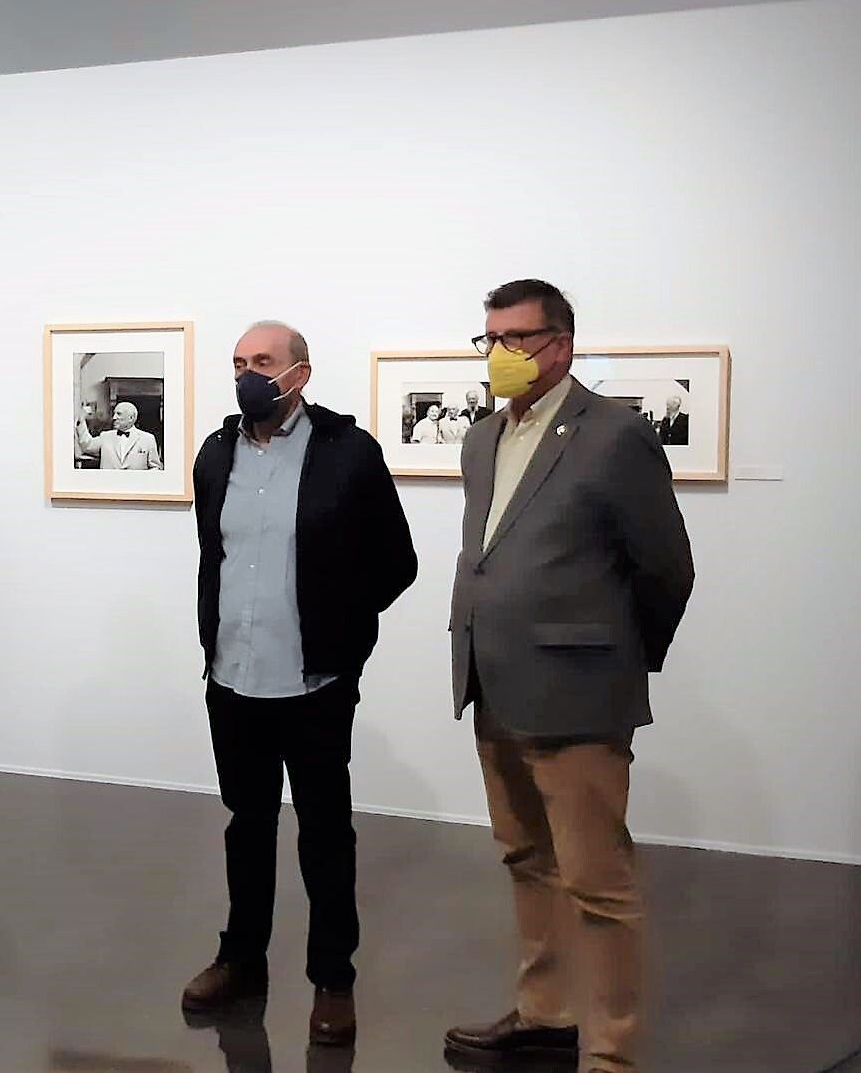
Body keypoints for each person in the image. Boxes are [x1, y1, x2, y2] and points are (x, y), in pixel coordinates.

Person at [447, 280, 694, 1073]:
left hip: (581, 692)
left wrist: (615, 659)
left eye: (517, 339)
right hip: (495, 680)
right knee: (526, 859)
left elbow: (666, 568)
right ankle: (544, 1014)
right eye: (490, 340)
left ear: (562, 343)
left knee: (598, 882)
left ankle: (612, 1053)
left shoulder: (613, 435)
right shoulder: (483, 436)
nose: (501, 356)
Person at [181, 321, 417, 1048]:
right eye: (238, 363)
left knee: (324, 833)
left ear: (300, 376)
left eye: (263, 363)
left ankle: (332, 978)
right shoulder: (216, 454)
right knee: (246, 826)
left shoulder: (349, 454)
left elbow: (396, 563)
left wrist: (342, 625)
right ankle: (242, 958)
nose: (248, 374)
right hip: (232, 678)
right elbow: (213, 555)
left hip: (315, 682)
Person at [75, 401, 164, 469]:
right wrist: (81, 420)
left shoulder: (148, 439)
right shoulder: (105, 437)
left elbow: (155, 468)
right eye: (114, 414)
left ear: (131, 418)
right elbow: (87, 445)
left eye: (119, 414)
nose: (114, 417)